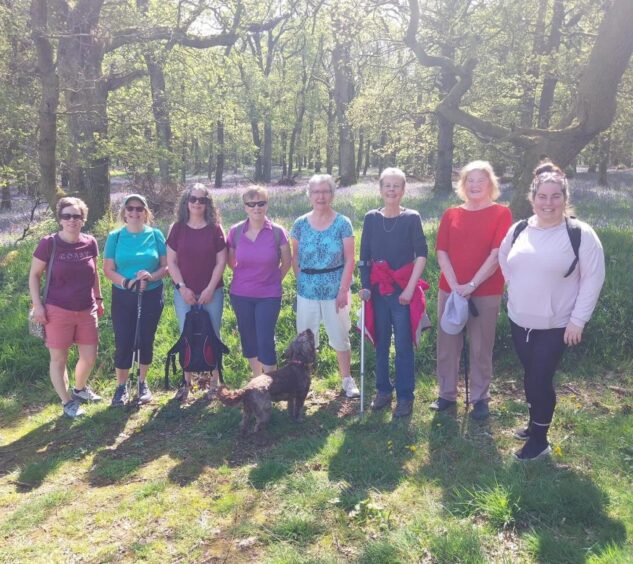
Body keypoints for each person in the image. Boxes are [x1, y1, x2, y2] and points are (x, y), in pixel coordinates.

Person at [499, 162, 605, 460]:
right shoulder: (519, 228)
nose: (548, 203)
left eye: (555, 196)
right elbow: (503, 257)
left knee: (539, 379)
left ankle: (540, 441)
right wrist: (515, 285)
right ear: (532, 197)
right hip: (520, 320)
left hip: (557, 324)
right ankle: (535, 424)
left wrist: (577, 321)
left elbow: (593, 279)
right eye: (542, 196)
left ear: (564, 197)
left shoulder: (580, 234)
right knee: (530, 374)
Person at [433, 161, 512, 419]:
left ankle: (480, 398)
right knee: (447, 343)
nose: (475, 185)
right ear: (463, 185)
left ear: (491, 184)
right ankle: (446, 394)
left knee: (480, 346)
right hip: (451, 289)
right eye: (470, 180)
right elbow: (441, 251)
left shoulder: (502, 214)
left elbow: (496, 254)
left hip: (485, 291)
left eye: (481, 180)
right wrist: (456, 285)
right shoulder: (451, 214)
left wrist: (472, 285)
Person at [359, 167, 428, 417]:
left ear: (403, 190)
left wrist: (410, 289)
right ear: (380, 189)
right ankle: (383, 390)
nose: (391, 190)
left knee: (402, 345)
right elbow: (364, 256)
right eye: (387, 185)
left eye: (396, 185)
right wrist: (365, 285)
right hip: (378, 291)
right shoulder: (371, 218)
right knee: (380, 343)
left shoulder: (412, 217)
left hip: (402, 291)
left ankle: (405, 395)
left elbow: (422, 254)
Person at [28, 197, 103, 418]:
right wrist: (37, 305)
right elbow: (34, 275)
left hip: (87, 309)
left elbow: (95, 273)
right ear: (60, 219)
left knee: (89, 357)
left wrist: (98, 299)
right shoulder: (48, 243)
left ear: (83, 219)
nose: (71, 220)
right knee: (59, 359)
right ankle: (67, 401)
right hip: (56, 310)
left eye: (76, 216)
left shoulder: (90, 242)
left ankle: (79, 390)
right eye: (66, 216)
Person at [290, 174, 360, 398]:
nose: (320, 196)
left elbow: (350, 259)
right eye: (316, 192)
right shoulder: (300, 223)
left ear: (332, 194)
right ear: (309, 195)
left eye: (325, 191)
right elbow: (295, 257)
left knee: (340, 335)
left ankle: (347, 380)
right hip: (307, 291)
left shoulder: (342, 223)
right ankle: (303, 382)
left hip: (335, 289)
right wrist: (301, 281)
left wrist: (343, 290)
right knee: (305, 340)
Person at [103, 194, 168, 406]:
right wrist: (127, 283)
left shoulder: (156, 235)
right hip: (123, 295)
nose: (134, 212)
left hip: (151, 293)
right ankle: (121, 387)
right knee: (124, 341)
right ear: (124, 212)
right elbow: (108, 269)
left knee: (145, 338)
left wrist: (151, 277)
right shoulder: (115, 236)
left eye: (139, 208)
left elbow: (166, 267)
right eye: (130, 208)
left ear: (145, 212)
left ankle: (142, 383)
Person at [166, 183, 226, 395]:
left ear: (208, 204)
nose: (197, 203)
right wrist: (181, 287)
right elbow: (171, 262)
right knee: (186, 335)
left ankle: (214, 383)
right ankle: (186, 383)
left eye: (202, 200)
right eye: (193, 199)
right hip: (184, 293)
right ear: (186, 202)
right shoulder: (177, 228)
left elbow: (221, 262)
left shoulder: (215, 228)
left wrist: (210, 289)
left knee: (213, 334)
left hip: (213, 292)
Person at [227, 186, 291, 377]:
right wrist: (245, 277)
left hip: (269, 295)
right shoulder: (235, 231)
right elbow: (231, 260)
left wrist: (272, 280)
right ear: (245, 207)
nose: (256, 208)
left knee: (265, 339)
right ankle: (257, 380)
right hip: (241, 294)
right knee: (248, 338)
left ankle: (271, 382)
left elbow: (287, 262)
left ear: (267, 205)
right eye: (251, 204)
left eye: (261, 203)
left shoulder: (277, 232)